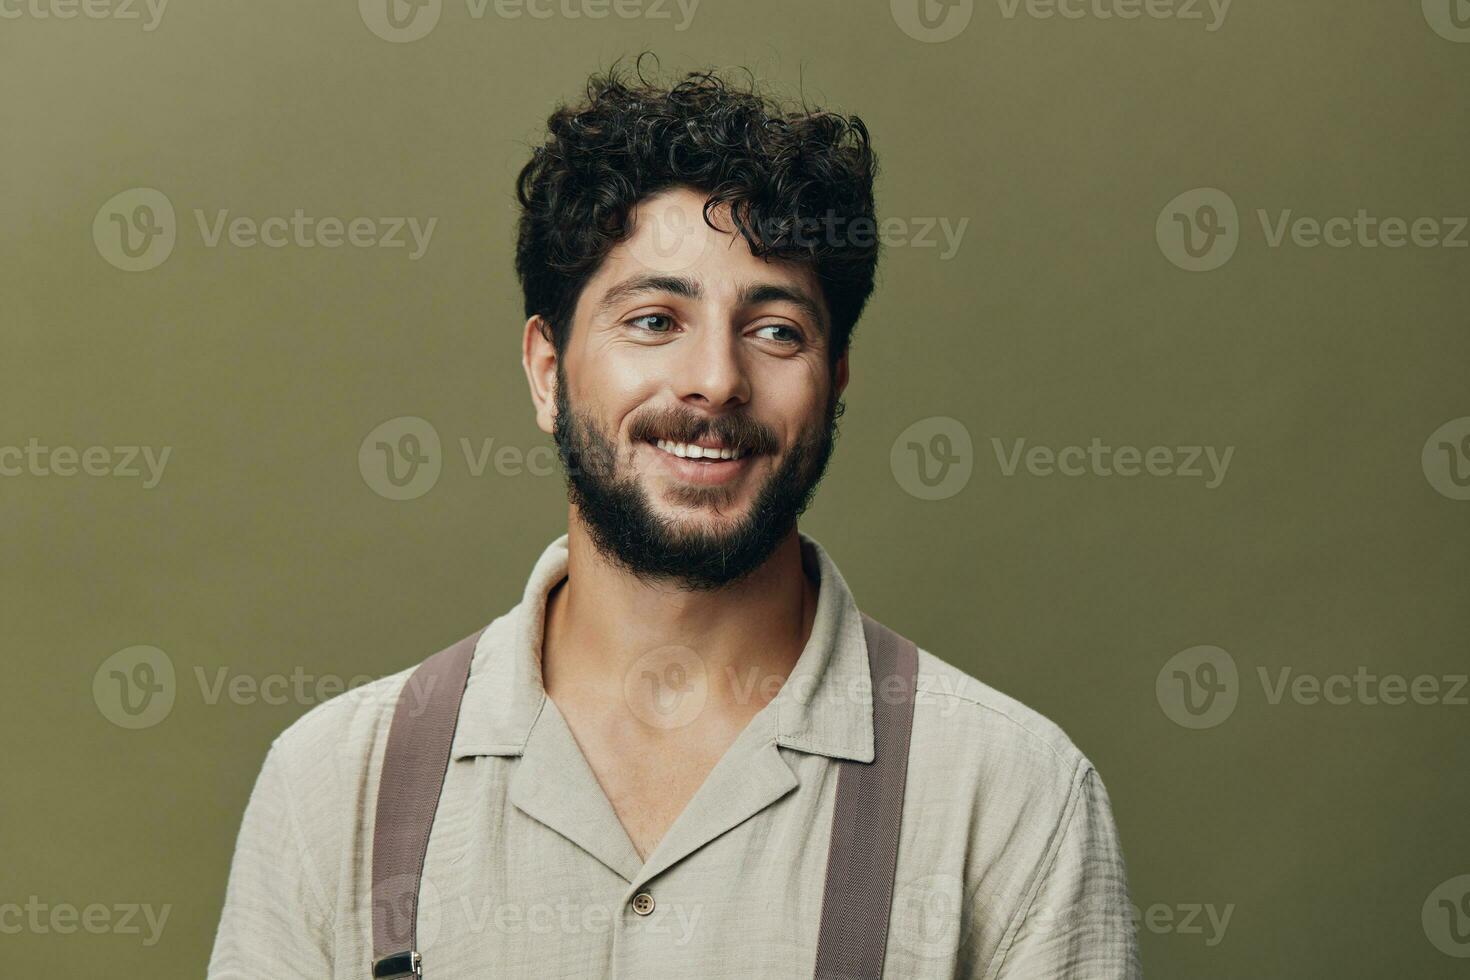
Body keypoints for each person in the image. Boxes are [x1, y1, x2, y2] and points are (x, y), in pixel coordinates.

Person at [207, 59, 1140, 979]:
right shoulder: (335, 788)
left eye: (777, 330)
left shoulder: (1013, 798)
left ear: (837, 379)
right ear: (545, 369)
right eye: (654, 319)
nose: (716, 380)